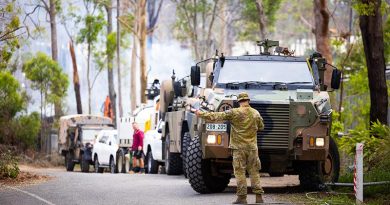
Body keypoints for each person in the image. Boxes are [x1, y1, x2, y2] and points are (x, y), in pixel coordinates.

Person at [195, 92, 265, 204]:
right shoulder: (256, 113)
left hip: (238, 148)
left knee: (240, 172)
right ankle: (259, 197)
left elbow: (216, 116)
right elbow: (261, 127)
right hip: (252, 148)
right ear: (248, 101)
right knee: (254, 172)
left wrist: (201, 114)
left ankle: (242, 198)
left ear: (239, 101)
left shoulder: (234, 112)